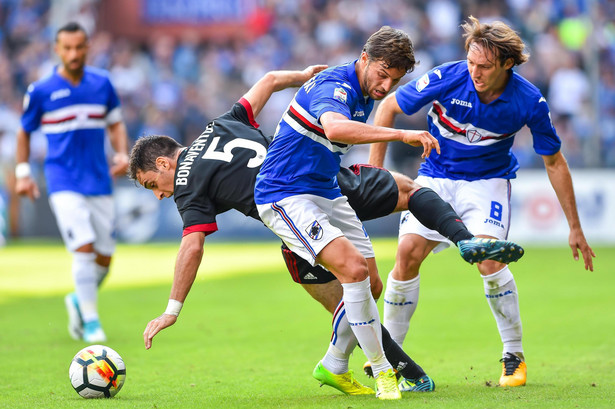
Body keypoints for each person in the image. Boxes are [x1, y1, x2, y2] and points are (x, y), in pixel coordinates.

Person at [130, 64, 523, 396]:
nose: (159, 195)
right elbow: (267, 81)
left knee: (353, 291)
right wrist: (302, 75)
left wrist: (172, 309)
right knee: (370, 269)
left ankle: (360, 366)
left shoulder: (185, 181)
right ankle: (398, 365)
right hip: (326, 179)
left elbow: (192, 247)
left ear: (165, 163)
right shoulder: (221, 125)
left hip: (295, 210)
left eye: (151, 185)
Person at [253, 26, 523, 399]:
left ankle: (333, 363)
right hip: (285, 194)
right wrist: (400, 135)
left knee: (373, 284)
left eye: (394, 80)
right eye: (382, 75)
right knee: (353, 270)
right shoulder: (338, 86)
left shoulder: (366, 91)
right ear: (364, 59)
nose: (385, 87)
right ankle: (384, 371)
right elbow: (334, 127)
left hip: (325, 190)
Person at [368, 16, 596, 388]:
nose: (474, 72)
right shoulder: (449, 76)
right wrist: (375, 175)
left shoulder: (528, 101)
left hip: (486, 184)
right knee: (407, 254)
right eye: (471, 62)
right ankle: (391, 358)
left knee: (489, 259)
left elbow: (554, 161)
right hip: (436, 178)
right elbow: (388, 107)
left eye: (484, 66)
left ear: (507, 63)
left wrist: (574, 226)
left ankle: (513, 356)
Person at [15, 22, 129, 343]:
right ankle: (91, 323)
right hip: (62, 178)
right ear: (57, 49)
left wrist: (121, 154)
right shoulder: (41, 90)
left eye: (79, 47)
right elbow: (24, 132)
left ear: (88, 47)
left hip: (99, 179)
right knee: (83, 247)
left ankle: (79, 299)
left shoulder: (102, 83)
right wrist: (23, 174)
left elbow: (116, 124)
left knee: (105, 258)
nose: (73, 54)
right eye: (67, 48)